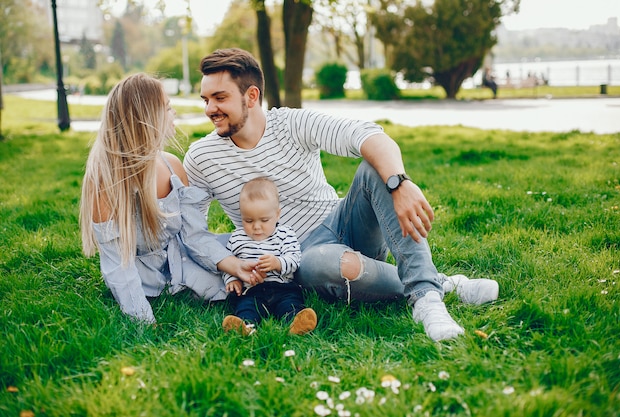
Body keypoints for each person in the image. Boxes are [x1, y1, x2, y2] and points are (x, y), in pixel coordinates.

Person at [183, 48, 499, 341]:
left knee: (376, 169)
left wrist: (399, 183)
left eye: (219, 98)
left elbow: (367, 134)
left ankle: (428, 300)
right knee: (322, 263)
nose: (210, 109)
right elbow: (193, 231)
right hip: (294, 259)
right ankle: (444, 283)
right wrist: (229, 264)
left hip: (342, 224)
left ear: (251, 96)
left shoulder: (292, 123)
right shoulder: (201, 157)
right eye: (205, 99)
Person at [79, 72, 260, 324]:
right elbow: (117, 263)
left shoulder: (173, 166)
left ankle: (283, 297)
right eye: (167, 107)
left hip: (183, 259)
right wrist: (143, 320)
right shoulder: (107, 180)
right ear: (148, 118)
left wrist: (231, 265)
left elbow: (193, 235)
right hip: (145, 279)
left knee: (248, 246)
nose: (173, 113)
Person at [221, 177, 317, 336]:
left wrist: (278, 263)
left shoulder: (285, 234)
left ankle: (296, 323)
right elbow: (228, 262)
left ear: (277, 214)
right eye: (248, 220)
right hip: (252, 290)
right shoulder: (237, 238)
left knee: (290, 305)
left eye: (264, 220)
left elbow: (294, 259)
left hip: (283, 287)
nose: (256, 226)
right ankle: (244, 326)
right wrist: (232, 279)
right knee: (247, 307)